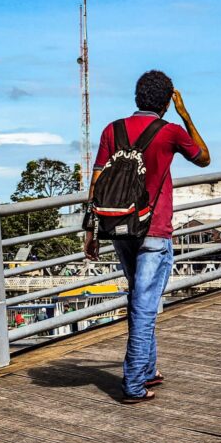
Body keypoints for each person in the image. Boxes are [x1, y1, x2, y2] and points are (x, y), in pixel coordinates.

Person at [84, 70, 210, 403]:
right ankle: (134, 384)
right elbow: (203, 157)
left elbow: (96, 183)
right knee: (144, 306)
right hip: (154, 231)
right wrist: (185, 115)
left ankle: (148, 370)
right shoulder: (171, 132)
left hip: (119, 227)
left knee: (139, 299)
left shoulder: (113, 130)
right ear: (167, 102)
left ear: (137, 97)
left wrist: (91, 231)